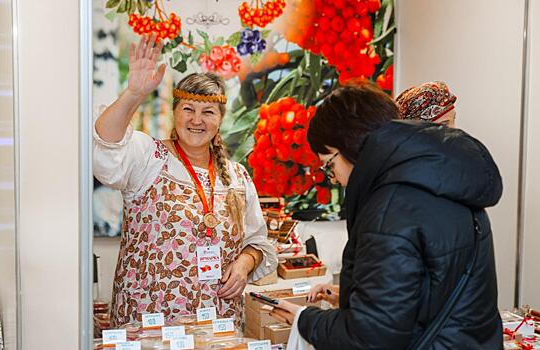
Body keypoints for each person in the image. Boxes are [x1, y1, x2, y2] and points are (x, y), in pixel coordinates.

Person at [270, 82, 503, 349]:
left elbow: (371, 338)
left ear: (351, 146)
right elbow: (430, 294)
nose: (334, 180)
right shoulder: (447, 181)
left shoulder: (389, 210)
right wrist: (356, 299)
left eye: (329, 165)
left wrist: (305, 319)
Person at [93, 34, 277, 326]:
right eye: (188, 109)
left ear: (220, 119)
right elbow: (105, 144)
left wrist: (244, 264)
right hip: (150, 322)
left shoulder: (237, 176)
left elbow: (257, 242)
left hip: (218, 319)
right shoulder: (148, 157)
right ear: (175, 113)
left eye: (208, 112)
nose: (196, 120)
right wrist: (134, 93)